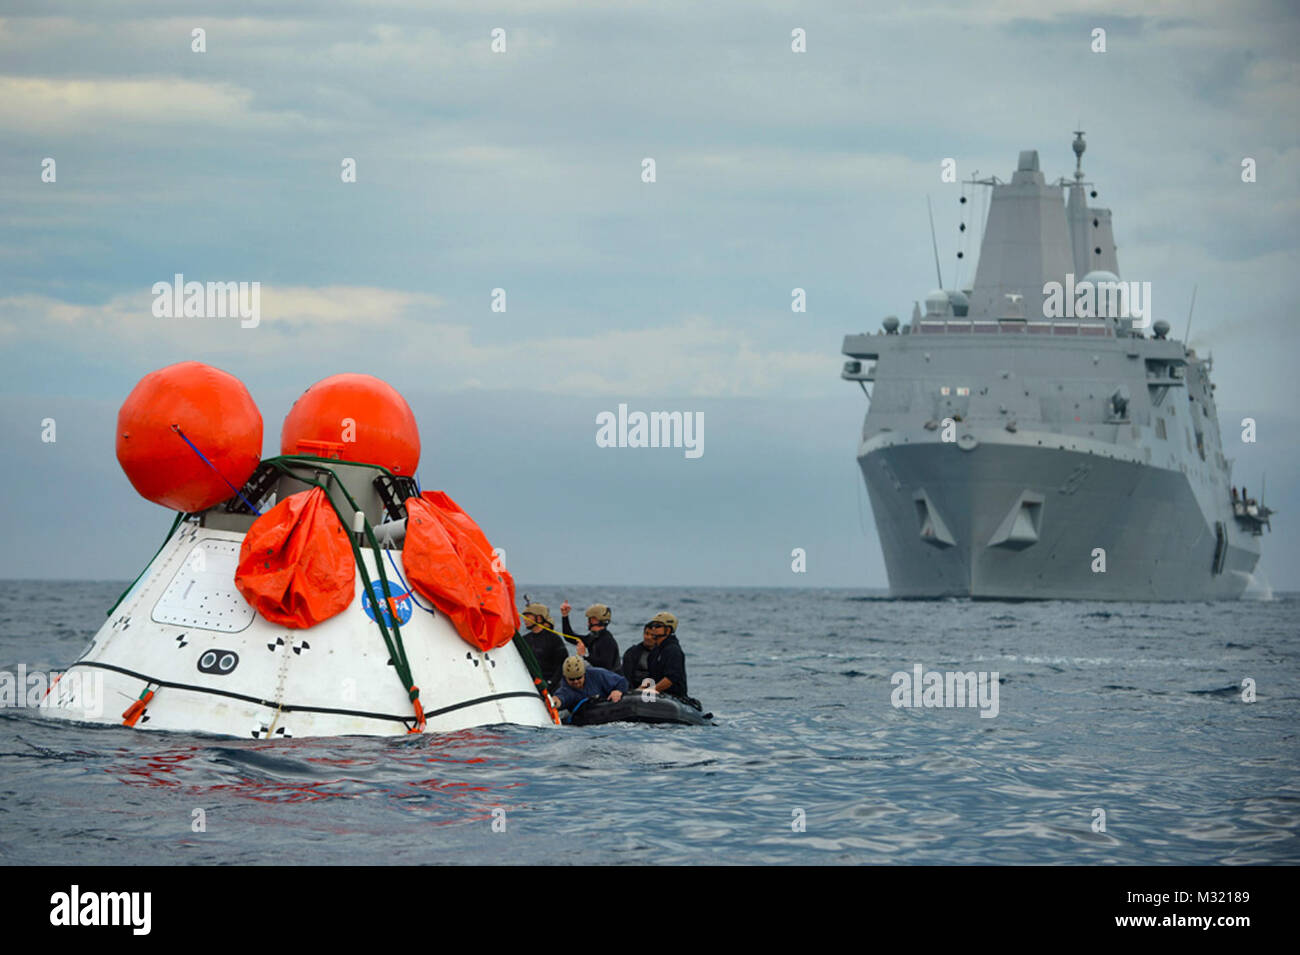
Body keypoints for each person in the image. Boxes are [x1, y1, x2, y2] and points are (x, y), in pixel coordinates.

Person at [624, 611, 699, 708]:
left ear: (668, 630)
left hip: (673, 697)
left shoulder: (673, 651)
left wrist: (651, 690)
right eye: (652, 626)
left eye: (657, 626)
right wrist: (639, 690)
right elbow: (652, 677)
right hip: (658, 695)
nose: (653, 628)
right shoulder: (655, 651)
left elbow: (671, 678)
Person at [551, 656, 627, 716]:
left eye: (579, 678)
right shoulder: (565, 688)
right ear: (565, 677)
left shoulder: (598, 674)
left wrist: (618, 691)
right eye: (571, 679)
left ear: (584, 674)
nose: (576, 682)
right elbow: (561, 698)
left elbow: (621, 681)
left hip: (608, 709)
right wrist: (554, 702)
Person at [561, 601, 621, 674]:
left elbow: (605, 666)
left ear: (596, 620)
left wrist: (584, 655)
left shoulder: (607, 640)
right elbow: (569, 636)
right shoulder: (593, 637)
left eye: (590, 619)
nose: (588, 622)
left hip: (611, 680)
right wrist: (565, 616)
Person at [520, 602, 566, 691]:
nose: (524, 620)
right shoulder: (524, 640)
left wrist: (550, 683)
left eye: (528, 616)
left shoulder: (554, 639)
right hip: (530, 686)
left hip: (551, 686)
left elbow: (562, 664)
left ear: (539, 618)